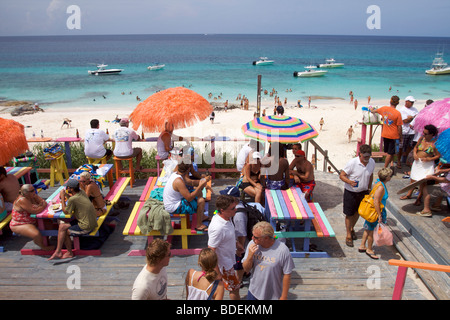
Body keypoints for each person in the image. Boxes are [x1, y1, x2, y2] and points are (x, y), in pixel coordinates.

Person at [242, 221, 294, 300]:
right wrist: (250, 256)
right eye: (253, 235)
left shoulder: (282, 250)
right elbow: (246, 269)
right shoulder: (252, 244)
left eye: (256, 237)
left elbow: (287, 274)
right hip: (254, 292)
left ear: (266, 238)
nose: (252, 238)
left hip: (273, 295)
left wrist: (284, 296)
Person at [48, 179, 98, 260]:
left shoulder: (73, 199)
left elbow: (66, 212)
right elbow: (73, 199)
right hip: (91, 220)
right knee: (62, 227)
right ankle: (59, 250)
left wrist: (63, 196)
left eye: (68, 188)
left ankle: (68, 252)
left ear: (71, 188)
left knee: (64, 231)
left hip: (86, 226)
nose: (67, 189)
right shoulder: (81, 192)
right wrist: (66, 195)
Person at [208, 195, 244, 300]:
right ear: (222, 210)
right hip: (224, 266)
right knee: (234, 289)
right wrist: (217, 272)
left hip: (228, 261)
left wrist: (237, 244)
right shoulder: (218, 227)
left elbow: (228, 235)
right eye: (232, 208)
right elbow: (211, 250)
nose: (236, 210)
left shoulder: (227, 218)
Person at [339, 144, 375, 247]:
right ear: (360, 154)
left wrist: (369, 188)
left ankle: (351, 228)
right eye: (365, 157)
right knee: (349, 214)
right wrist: (349, 182)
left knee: (359, 212)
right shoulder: (352, 163)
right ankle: (348, 235)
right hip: (351, 192)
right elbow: (342, 175)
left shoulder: (371, 162)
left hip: (363, 191)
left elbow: (371, 175)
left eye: (368, 156)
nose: (367, 159)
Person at [400, 124, 440, 209]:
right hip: (418, 162)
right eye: (423, 133)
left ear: (431, 134)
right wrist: (414, 154)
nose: (423, 135)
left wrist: (429, 159)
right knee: (413, 179)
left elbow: (437, 155)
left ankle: (419, 198)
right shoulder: (421, 139)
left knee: (422, 182)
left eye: (426, 133)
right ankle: (409, 194)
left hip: (426, 165)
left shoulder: (434, 143)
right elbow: (415, 147)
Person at [163, 161, 210, 232]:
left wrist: (202, 182)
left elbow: (190, 182)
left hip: (173, 202)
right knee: (201, 201)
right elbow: (189, 198)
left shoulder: (176, 174)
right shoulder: (178, 181)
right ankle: (199, 225)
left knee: (199, 192)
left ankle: (202, 216)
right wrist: (200, 185)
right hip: (174, 207)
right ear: (188, 170)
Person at [358, 167, 393, 260]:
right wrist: (379, 215)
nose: (391, 177)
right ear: (387, 177)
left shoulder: (378, 182)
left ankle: (362, 245)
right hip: (375, 211)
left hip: (370, 210)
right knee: (372, 231)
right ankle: (369, 249)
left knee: (367, 228)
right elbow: (376, 201)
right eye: (390, 176)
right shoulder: (381, 187)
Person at [9, 184, 54, 251]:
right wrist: (42, 205)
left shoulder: (31, 195)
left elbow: (41, 201)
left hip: (31, 220)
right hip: (20, 224)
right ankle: (43, 247)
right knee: (36, 234)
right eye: (32, 190)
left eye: (34, 189)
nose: (35, 191)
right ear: (25, 193)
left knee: (48, 223)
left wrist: (41, 204)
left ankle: (46, 240)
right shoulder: (22, 200)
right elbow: (35, 211)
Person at [369, 96, 403, 169]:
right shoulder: (397, 113)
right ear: (397, 103)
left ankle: (390, 164)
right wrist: (401, 137)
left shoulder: (384, 109)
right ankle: (384, 168)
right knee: (390, 153)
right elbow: (399, 127)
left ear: (390, 102)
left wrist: (371, 109)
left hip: (385, 134)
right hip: (394, 135)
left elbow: (373, 111)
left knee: (389, 152)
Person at [397, 96, 419, 168]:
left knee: (410, 146)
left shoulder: (415, 109)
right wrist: (413, 117)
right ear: (406, 102)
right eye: (411, 102)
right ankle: (399, 161)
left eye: (413, 102)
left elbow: (417, 118)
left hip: (412, 131)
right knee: (401, 147)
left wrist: (411, 117)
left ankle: (407, 160)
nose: (412, 104)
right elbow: (405, 121)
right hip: (404, 131)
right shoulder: (402, 110)